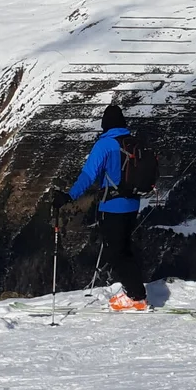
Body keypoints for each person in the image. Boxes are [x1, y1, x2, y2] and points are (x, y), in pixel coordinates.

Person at [63, 104, 149, 311]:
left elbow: (88, 175)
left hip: (113, 206)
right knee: (125, 249)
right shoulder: (132, 142)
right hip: (133, 203)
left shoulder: (105, 145)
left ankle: (136, 296)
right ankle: (135, 292)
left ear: (105, 125)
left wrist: (69, 196)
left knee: (116, 253)